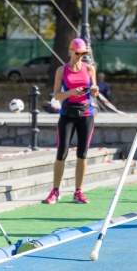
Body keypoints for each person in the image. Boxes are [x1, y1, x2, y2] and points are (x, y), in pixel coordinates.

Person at [43, 38, 99, 204]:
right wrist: (71, 92)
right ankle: (55, 190)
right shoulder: (62, 70)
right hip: (67, 114)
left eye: (83, 54)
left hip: (86, 114)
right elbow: (56, 95)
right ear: (70, 51)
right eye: (77, 53)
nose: (80, 56)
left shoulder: (89, 69)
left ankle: (78, 191)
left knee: (82, 154)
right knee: (61, 153)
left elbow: (94, 93)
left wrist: (95, 90)